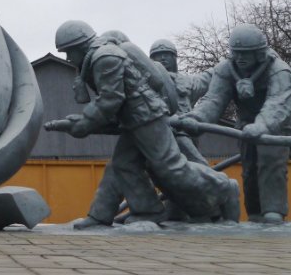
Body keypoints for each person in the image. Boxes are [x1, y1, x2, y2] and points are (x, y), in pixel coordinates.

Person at [52, 20, 239, 229]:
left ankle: (224, 188)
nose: (68, 58)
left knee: (171, 167)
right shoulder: (97, 57)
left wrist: (84, 124)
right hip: (135, 119)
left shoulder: (105, 57)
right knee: (122, 165)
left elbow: (110, 100)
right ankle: (137, 211)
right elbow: (113, 102)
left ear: (80, 45)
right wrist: (82, 122)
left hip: (147, 117)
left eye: (68, 51)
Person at [176, 23, 291, 224]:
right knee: (249, 169)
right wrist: (196, 118)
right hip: (245, 126)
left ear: (259, 53)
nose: (240, 58)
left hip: (275, 126)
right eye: (236, 53)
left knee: (270, 163)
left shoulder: (280, 71)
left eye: (245, 53)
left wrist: (262, 125)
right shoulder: (226, 69)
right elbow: (214, 99)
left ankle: (273, 211)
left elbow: (278, 104)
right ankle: (255, 213)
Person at [149, 38, 212, 165]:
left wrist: (227, 65)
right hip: (160, 135)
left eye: (166, 54)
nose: (162, 58)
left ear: (174, 58)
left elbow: (208, 77)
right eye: (158, 55)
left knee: (197, 166)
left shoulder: (188, 81)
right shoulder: (147, 83)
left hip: (186, 132)